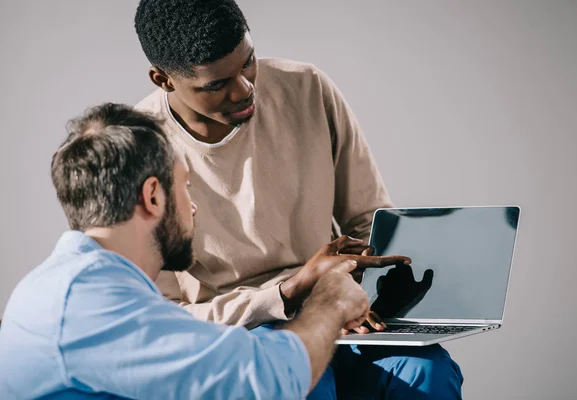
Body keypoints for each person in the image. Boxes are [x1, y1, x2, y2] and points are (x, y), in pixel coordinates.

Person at [133, 0, 464, 398]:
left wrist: (368, 294)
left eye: (248, 62)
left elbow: (368, 221)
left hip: (337, 309)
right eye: (217, 84)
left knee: (426, 373)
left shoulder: (306, 87)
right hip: (240, 334)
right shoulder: (142, 151)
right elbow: (167, 320)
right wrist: (285, 295)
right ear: (163, 79)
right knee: (304, 384)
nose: (244, 89)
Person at [0, 103, 409, 399]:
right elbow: (270, 380)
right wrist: (330, 303)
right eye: (186, 186)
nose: (192, 206)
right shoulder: (90, 303)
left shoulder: (82, 288)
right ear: (154, 196)